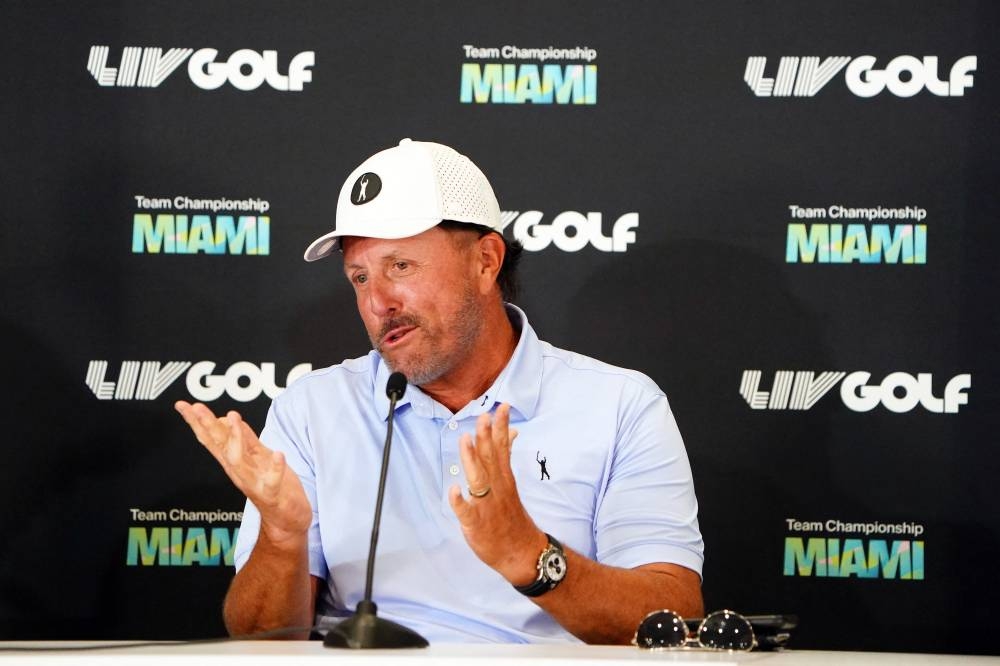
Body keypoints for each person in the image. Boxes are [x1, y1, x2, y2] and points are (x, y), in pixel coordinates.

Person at [175, 139, 704, 644]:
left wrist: (530, 556)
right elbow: (261, 638)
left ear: (485, 262)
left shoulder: (620, 406)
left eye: (400, 266)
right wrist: (284, 538)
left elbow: (675, 613)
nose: (377, 302)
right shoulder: (311, 409)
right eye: (359, 278)